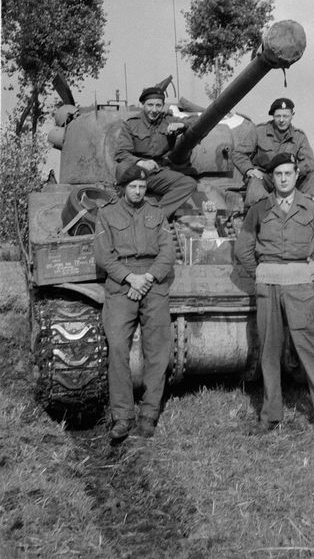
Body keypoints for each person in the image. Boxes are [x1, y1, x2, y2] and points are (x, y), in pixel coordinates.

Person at [234, 152, 314, 435]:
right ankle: (270, 416)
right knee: (269, 351)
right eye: (278, 174)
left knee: (311, 350)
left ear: (296, 174)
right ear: (272, 177)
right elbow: (243, 248)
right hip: (268, 286)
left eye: (288, 173)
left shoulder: (310, 208)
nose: (284, 178)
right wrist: (260, 271)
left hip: (300, 286)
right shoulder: (259, 209)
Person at [94, 162, 175, 441]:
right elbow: (103, 256)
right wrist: (131, 278)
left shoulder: (157, 213)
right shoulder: (107, 214)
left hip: (152, 282)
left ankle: (149, 413)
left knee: (157, 349)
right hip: (122, 283)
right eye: (133, 186)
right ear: (123, 188)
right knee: (117, 347)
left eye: (142, 186)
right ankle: (122, 415)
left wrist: (147, 278)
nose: (139, 191)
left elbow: (167, 252)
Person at [115, 86, 197, 219]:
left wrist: (182, 125)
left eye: (158, 105)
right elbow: (121, 153)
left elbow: (196, 120)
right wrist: (140, 162)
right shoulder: (131, 124)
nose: (154, 110)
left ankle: (155, 217)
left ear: (163, 106)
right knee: (122, 169)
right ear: (143, 105)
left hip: (157, 171)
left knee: (189, 183)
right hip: (134, 170)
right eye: (150, 105)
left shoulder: (168, 120)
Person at [231, 97, 314, 207]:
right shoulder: (259, 131)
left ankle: (307, 211)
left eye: (285, 116)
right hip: (266, 178)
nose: (282, 120)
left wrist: (294, 171)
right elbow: (238, 153)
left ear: (292, 115)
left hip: (290, 180)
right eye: (278, 116)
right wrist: (249, 170)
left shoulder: (299, 137)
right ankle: (262, 214)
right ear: (273, 116)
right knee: (255, 182)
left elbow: (309, 162)